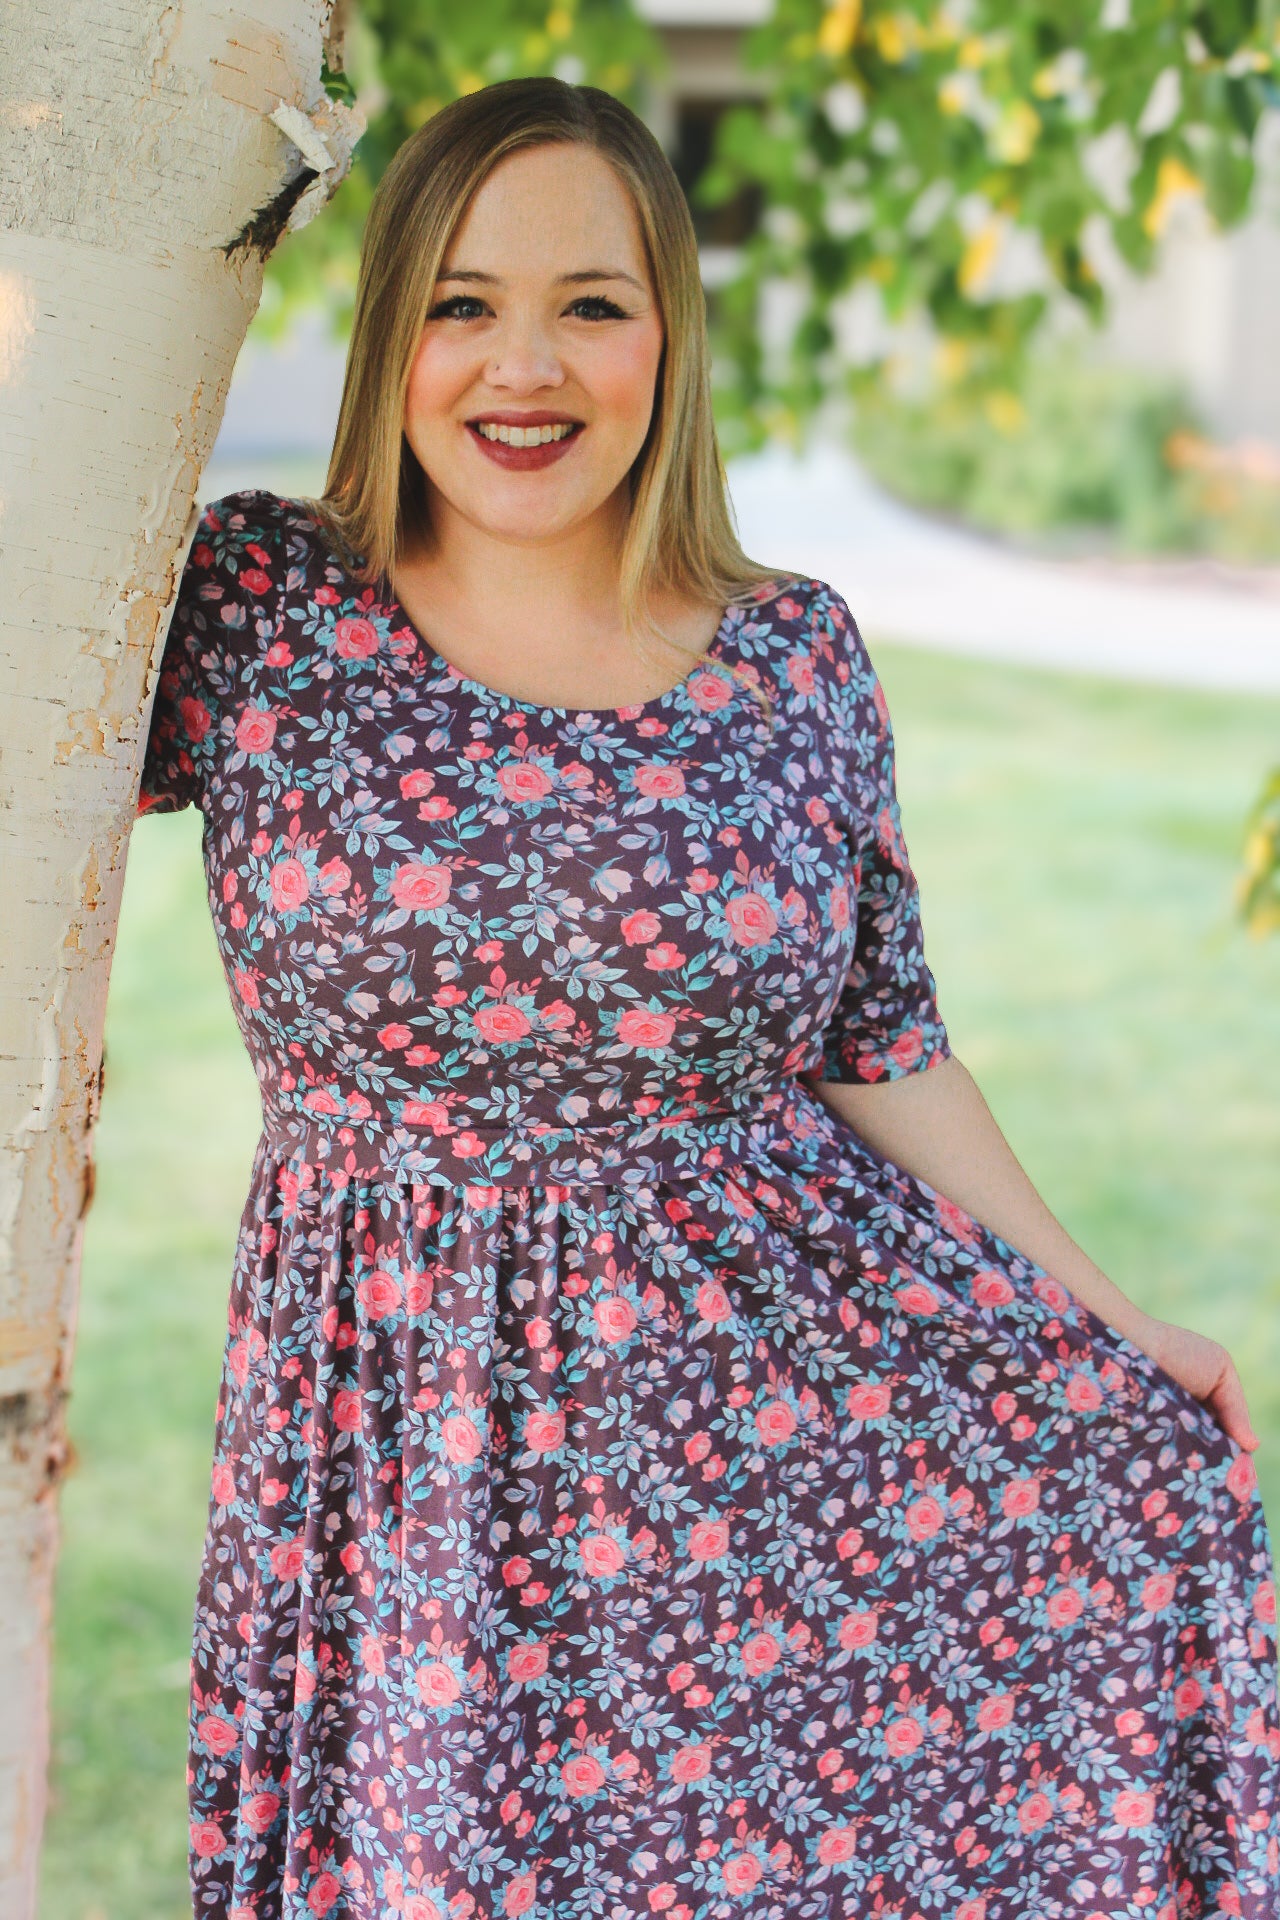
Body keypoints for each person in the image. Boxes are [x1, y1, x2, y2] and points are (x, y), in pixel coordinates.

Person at [135, 73, 1280, 1920]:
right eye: (463, 303)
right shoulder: (260, 609)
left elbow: (882, 1044)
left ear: (668, 336)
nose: (524, 368)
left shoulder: (792, 654)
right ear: (391, 329)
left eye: (592, 304)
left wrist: (1117, 1326)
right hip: (407, 1439)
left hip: (767, 1468)